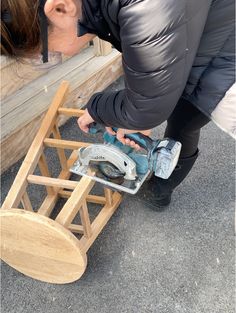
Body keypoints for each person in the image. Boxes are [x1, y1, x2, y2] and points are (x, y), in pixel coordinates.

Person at [1, 0, 235, 210]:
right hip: (204, 29)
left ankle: (161, 187)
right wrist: (129, 115)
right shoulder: (107, 7)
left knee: (188, 117)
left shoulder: (145, 8)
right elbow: (144, 52)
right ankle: (161, 187)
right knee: (183, 116)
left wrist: (98, 108)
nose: (58, 55)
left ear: (60, 8)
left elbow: (146, 108)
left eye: (49, 52)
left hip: (226, 53)